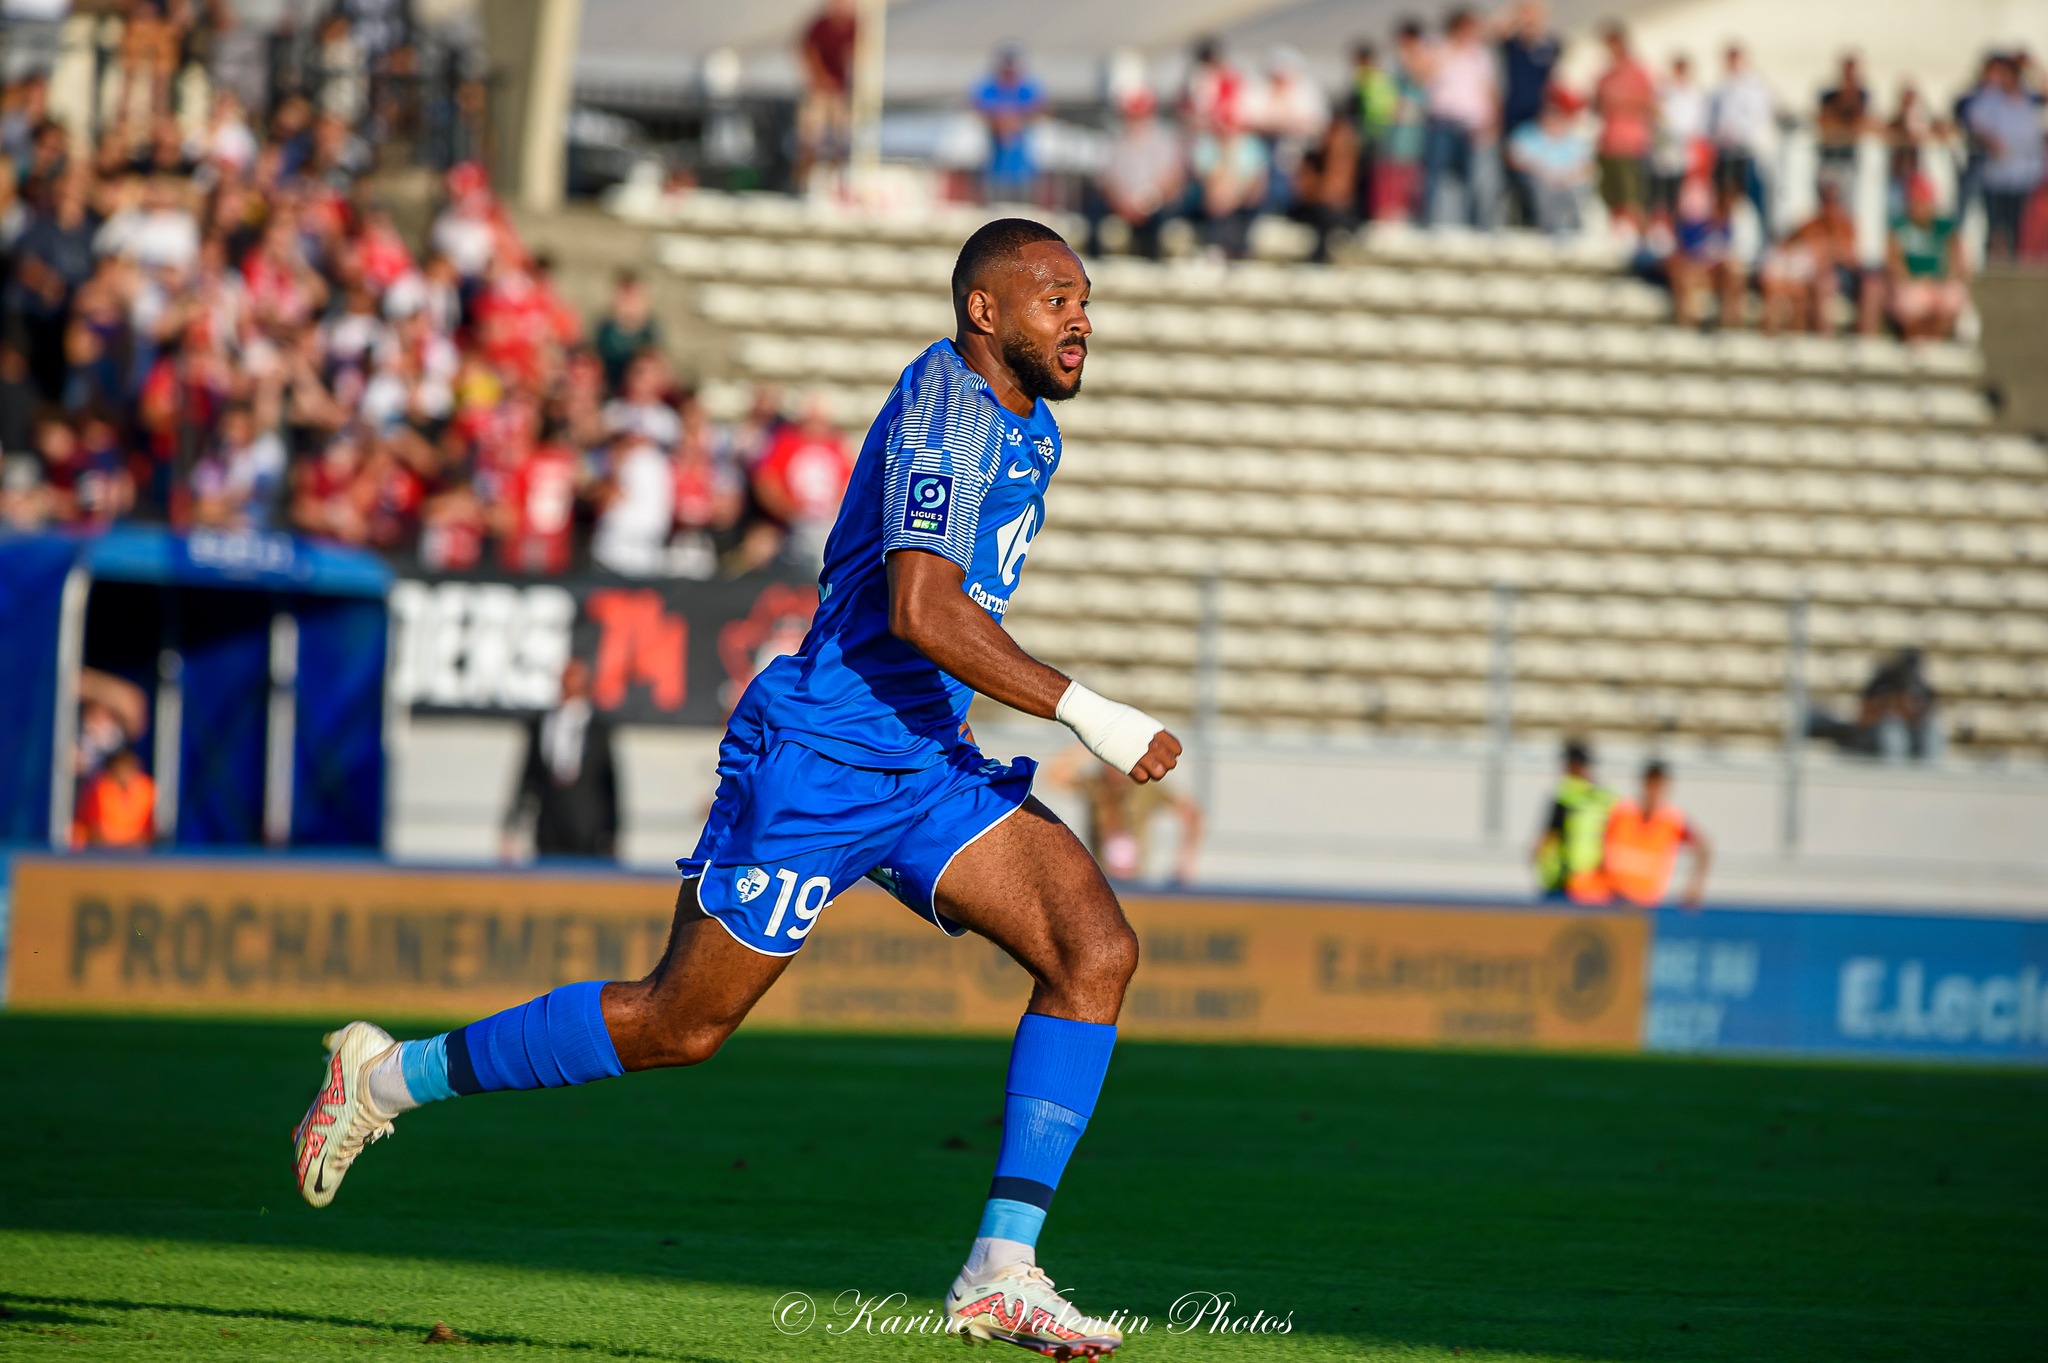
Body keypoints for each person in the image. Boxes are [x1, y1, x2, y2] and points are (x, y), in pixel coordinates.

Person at [292, 218, 1179, 1357]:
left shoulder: (1027, 423)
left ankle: (1000, 1268)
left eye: (1084, 299)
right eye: (1057, 299)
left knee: (1093, 950)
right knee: (679, 1022)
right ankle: (385, 1078)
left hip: (923, 758)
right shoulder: (948, 413)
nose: (1080, 319)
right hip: (820, 759)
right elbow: (920, 608)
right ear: (984, 310)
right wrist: (1090, 712)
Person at [501, 658, 618, 860]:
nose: (571, 683)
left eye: (577, 677)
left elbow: (610, 783)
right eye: (566, 677)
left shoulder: (598, 729)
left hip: (588, 831)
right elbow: (528, 778)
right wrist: (513, 827)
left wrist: (612, 834)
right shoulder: (542, 725)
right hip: (549, 829)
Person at [1045, 744, 1204, 885]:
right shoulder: (1096, 784)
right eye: (1110, 760)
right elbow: (1054, 776)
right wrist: (1090, 746)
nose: (1115, 768)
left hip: (1136, 881)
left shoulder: (1145, 787)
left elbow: (1191, 813)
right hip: (1100, 879)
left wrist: (1185, 860)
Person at [1086, 87, 1184, 260]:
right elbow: (1106, 181)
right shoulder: (1115, 143)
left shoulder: (1164, 143)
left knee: (1164, 226)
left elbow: (1172, 180)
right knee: (1096, 220)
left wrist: (1149, 200)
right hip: (1120, 206)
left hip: (1156, 208)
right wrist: (1122, 203)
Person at [1421, 8, 1497, 228]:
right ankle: (1431, 221)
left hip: (1471, 125)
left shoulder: (1481, 55)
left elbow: (1488, 90)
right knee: (1436, 173)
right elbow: (1424, 75)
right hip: (1443, 121)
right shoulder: (1439, 49)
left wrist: (1490, 121)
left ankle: (1472, 224)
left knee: (1472, 177)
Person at [1966, 54, 2044, 264]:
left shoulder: (2027, 98)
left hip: (2023, 176)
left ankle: (2014, 267)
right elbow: (1974, 121)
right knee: (1995, 225)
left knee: (2018, 226)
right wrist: (1991, 142)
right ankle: (1993, 264)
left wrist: (2034, 66)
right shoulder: (1990, 99)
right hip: (1997, 175)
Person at [1599, 760, 1711, 908]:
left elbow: (1704, 848)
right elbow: (1598, 842)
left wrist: (1695, 887)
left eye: (1658, 785)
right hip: (1611, 899)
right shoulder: (1621, 811)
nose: (1653, 790)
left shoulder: (1672, 819)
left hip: (1647, 904)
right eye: (1651, 783)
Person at [1495, 0, 1560, 228]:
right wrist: (1517, 14)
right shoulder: (1513, 46)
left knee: (1536, 172)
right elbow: (1496, 30)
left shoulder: (1549, 48)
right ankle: (1512, 219)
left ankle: (1533, 220)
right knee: (1510, 171)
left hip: (1537, 122)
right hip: (1513, 119)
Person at [1885, 176, 1969, 341]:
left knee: (1951, 297)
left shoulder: (1945, 227)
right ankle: (1915, 341)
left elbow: (1959, 263)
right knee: (1909, 300)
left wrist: (1942, 280)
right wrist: (1915, 280)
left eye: (1921, 201)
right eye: (1914, 201)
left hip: (1939, 285)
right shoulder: (1900, 226)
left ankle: (1936, 341)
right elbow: (1893, 263)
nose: (1918, 206)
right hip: (1913, 284)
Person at [1591, 22, 1655, 235]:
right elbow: (1597, 105)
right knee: (1611, 195)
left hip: (1631, 142)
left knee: (1632, 196)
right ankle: (1619, 237)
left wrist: (1620, 101)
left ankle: (1640, 238)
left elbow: (1649, 104)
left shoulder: (1637, 72)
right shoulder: (1605, 75)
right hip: (1608, 142)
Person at [1532, 738, 1612, 903]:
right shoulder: (1605, 798)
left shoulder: (1565, 795)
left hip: (1566, 881)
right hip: (1597, 882)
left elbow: (1545, 840)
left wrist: (1538, 859)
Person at [1505, 86, 1591, 236]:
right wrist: (1539, 173)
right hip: (1538, 178)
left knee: (1575, 191)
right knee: (1542, 191)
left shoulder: (1573, 138)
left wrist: (1569, 178)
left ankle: (1574, 231)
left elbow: (1586, 165)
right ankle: (1547, 231)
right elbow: (1512, 158)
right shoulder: (1527, 134)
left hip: (1567, 180)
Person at [1707, 44, 1774, 231]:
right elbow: (1714, 119)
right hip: (1727, 152)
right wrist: (1720, 135)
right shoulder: (1721, 88)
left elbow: (1759, 117)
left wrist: (1741, 134)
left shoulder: (1756, 86)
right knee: (1726, 198)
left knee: (1754, 198)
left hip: (1749, 153)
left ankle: (1762, 234)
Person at [795, 0, 856, 191]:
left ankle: (837, 179)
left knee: (841, 135)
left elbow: (857, 54)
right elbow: (806, 50)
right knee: (812, 135)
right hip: (820, 89)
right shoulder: (820, 25)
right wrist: (819, 76)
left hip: (840, 90)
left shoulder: (854, 25)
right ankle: (803, 181)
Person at [972, 46, 1045, 204]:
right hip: (993, 168)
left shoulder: (1028, 88)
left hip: (1023, 172)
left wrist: (1015, 120)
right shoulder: (988, 87)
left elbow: (1039, 108)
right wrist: (999, 120)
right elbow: (978, 107)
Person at [71, 744, 156, 849]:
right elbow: (97, 832)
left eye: (128, 767)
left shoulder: (147, 788)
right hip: (98, 851)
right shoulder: (98, 787)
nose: (125, 773)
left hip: (140, 852)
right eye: (121, 767)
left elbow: (149, 834)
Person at [1814, 54, 1874, 201]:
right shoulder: (1828, 95)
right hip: (1828, 157)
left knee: (1848, 200)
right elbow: (1825, 122)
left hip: (1848, 158)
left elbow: (1860, 124)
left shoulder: (1862, 96)